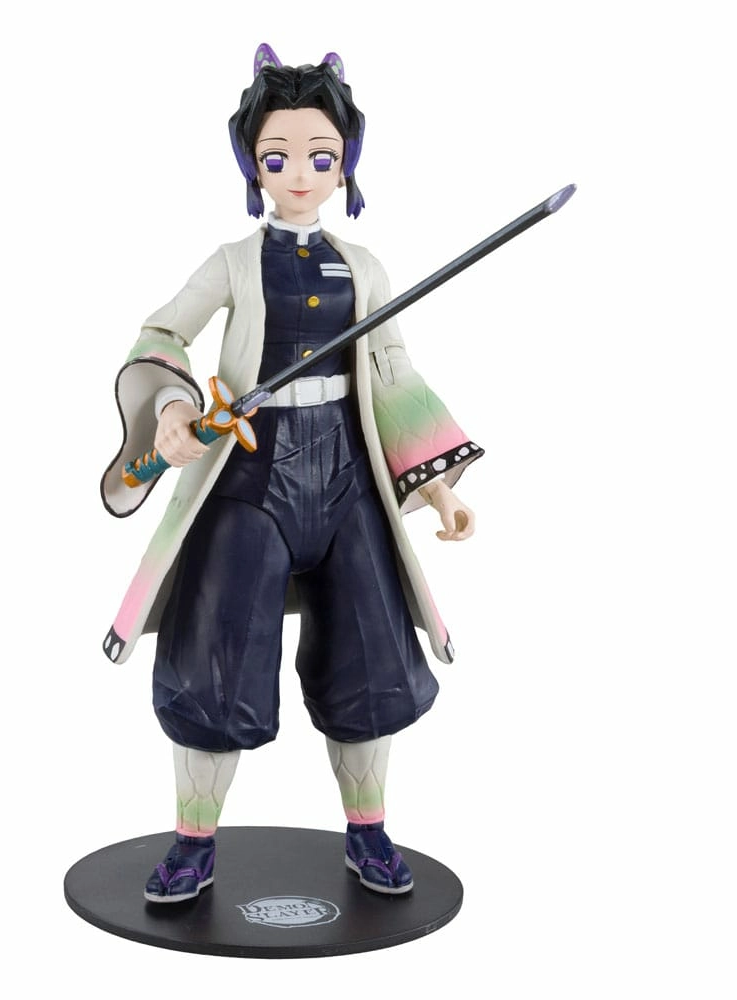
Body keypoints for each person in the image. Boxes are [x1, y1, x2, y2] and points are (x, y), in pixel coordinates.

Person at [99, 43, 481, 902]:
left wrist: (433, 485)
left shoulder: (365, 268)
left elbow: (392, 373)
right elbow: (161, 335)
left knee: (371, 661)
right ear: (252, 164)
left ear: (345, 164)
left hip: (348, 482)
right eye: (278, 158)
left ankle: (368, 832)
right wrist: (173, 411)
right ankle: (194, 842)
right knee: (215, 661)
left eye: (320, 157)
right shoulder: (233, 263)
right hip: (248, 481)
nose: (300, 175)